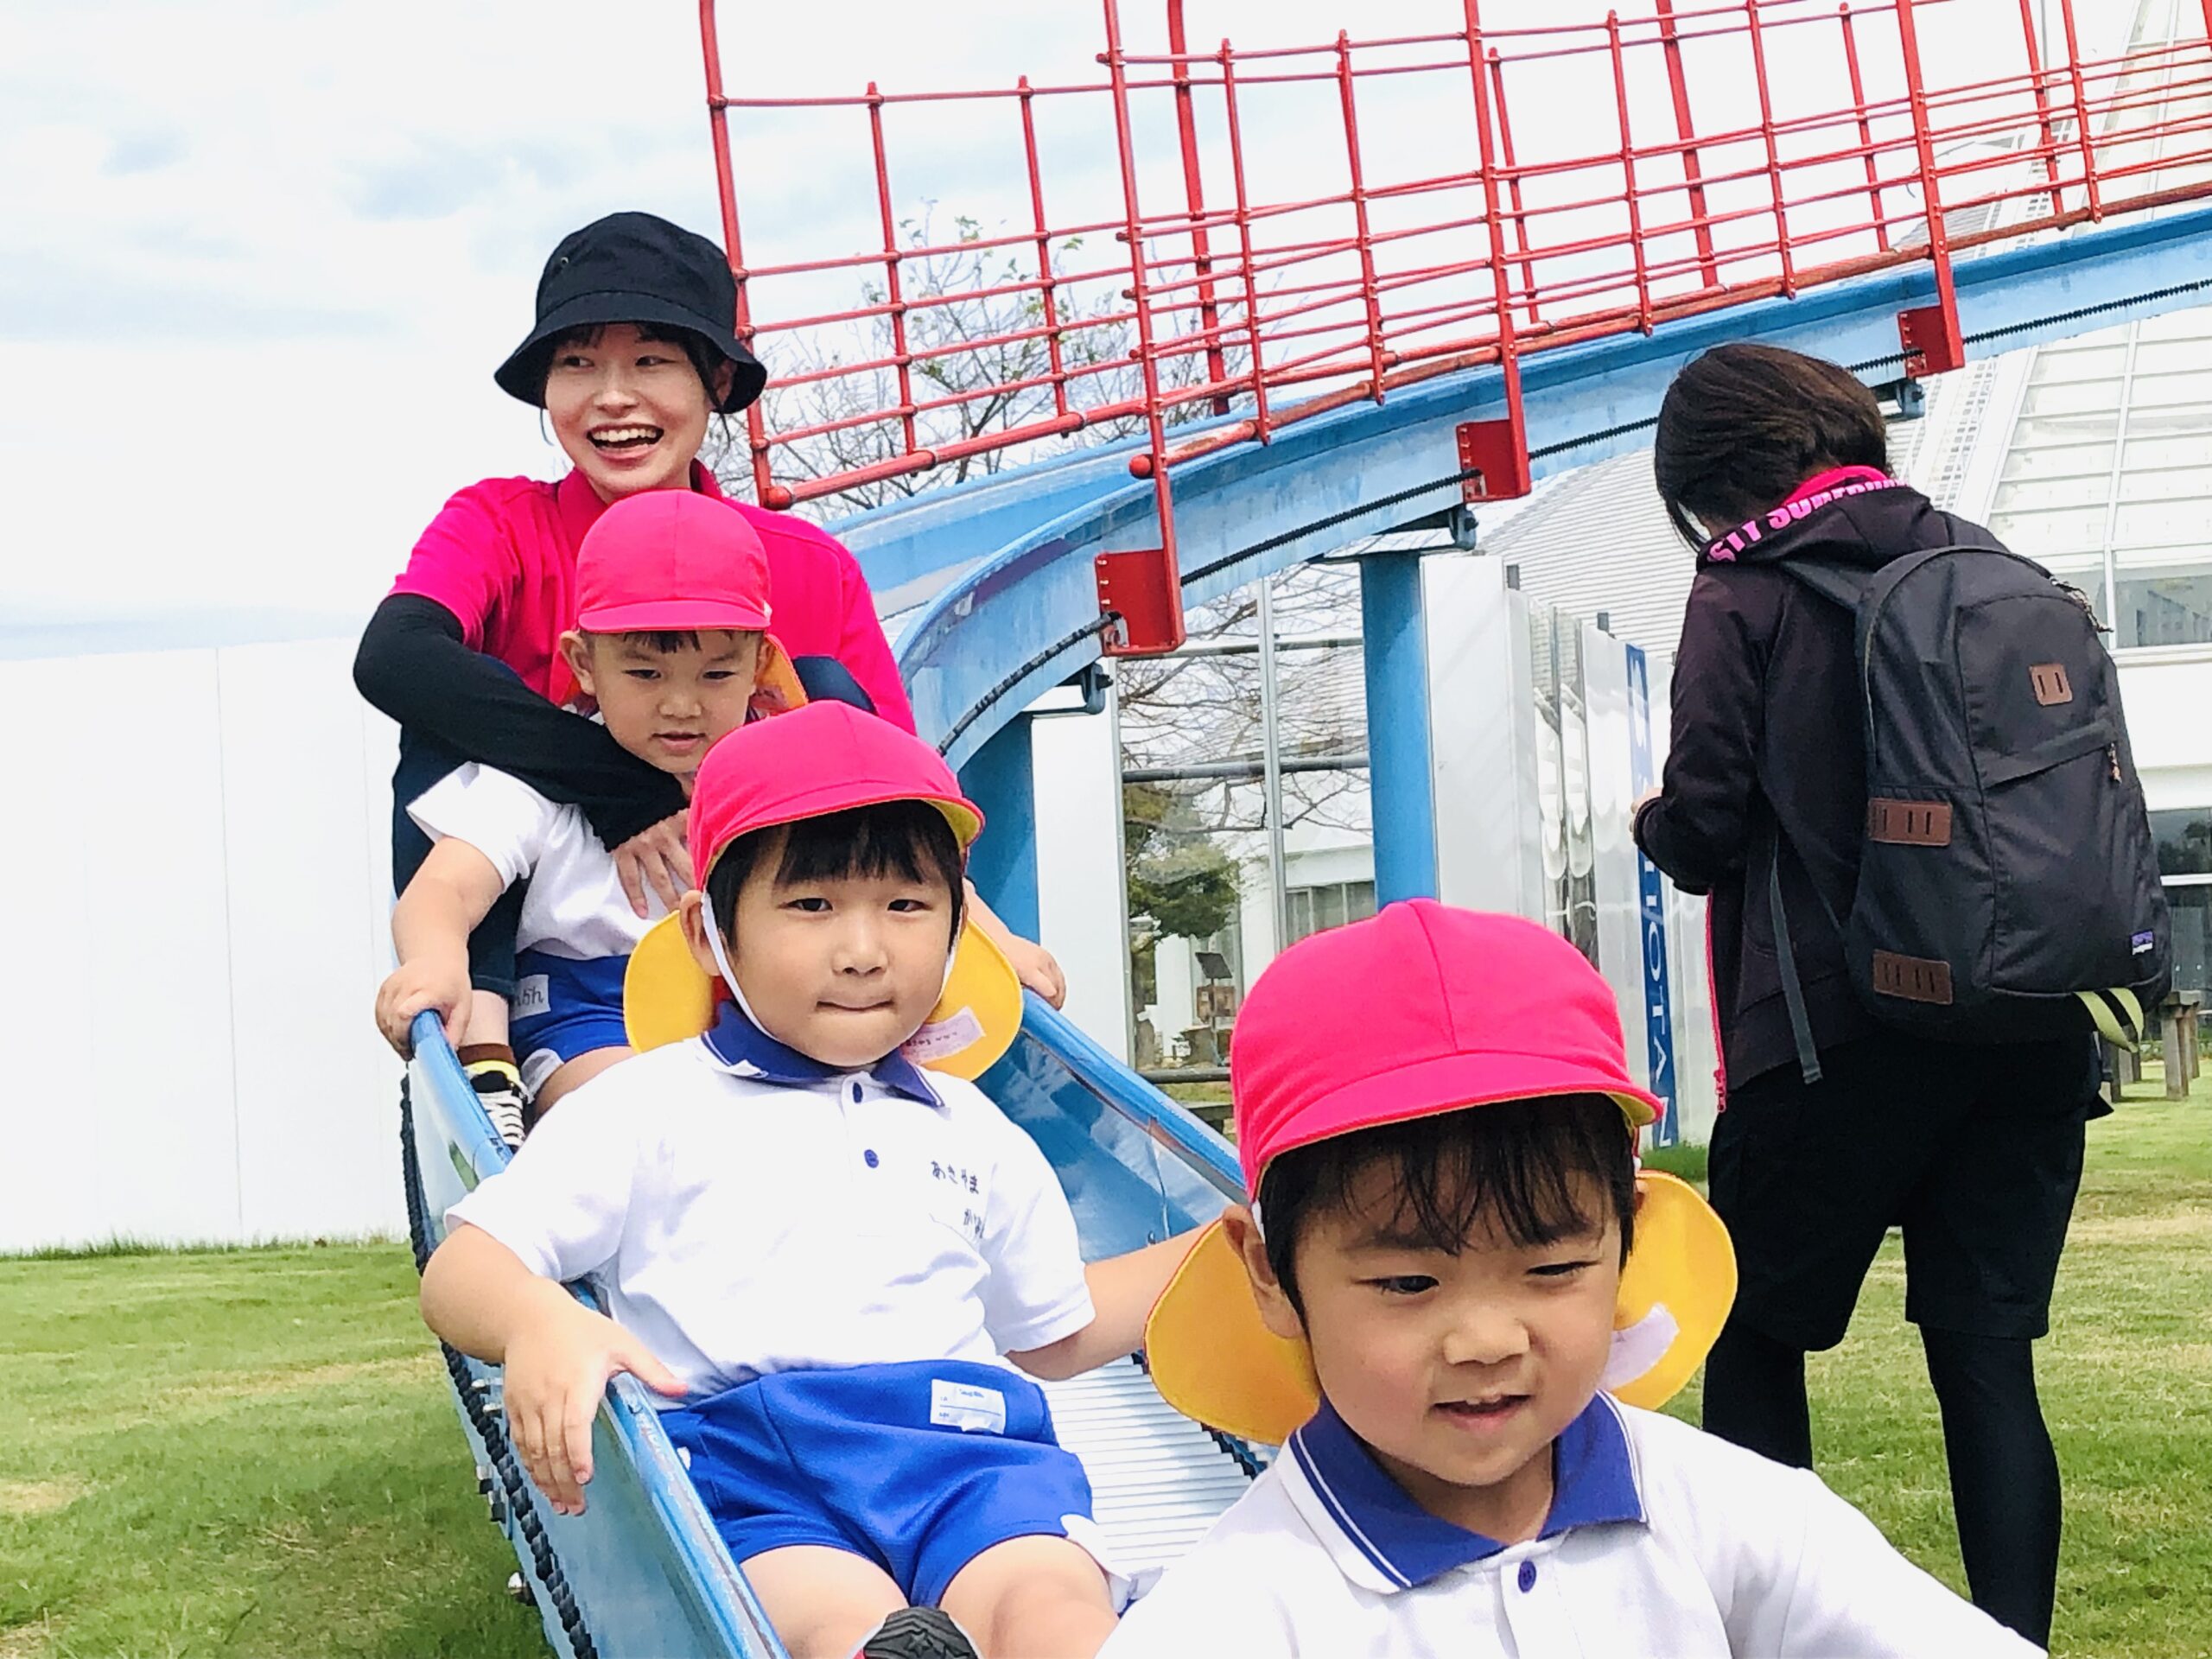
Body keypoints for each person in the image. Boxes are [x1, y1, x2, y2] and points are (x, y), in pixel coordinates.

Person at [418, 701, 1198, 1659]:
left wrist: (1223, 1246)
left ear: (958, 931)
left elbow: (1056, 1330)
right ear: (708, 934)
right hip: (762, 1470)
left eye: (906, 907)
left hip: (972, 1455)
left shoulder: (972, 1128)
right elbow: (465, 1268)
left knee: (1051, 1605)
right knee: (831, 1623)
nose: (864, 952)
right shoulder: (645, 1108)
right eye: (812, 906)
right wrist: (540, 1320)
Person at [1105, 901, 2040, 1657]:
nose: (1488, 1341)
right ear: (1271, 1273)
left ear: (1625, 1237)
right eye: (1408, 1284)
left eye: (1550, 1268)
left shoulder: (1729, 1516)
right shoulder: (1236, 1613)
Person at [353, 210, 1062, 1135]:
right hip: (562, 949)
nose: (612, 398)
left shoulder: (801, 566)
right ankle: (482, 1040)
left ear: (715, 381)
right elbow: (394, 656)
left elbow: (895, 799)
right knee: (441, 719)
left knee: (830, 703)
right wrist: (621, 786)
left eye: (651, 362)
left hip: (752, 951)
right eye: (578, 364)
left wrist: (989, 936)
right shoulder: (504, 525)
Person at [1631, 341, 2101, 1647]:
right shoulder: (1986, 561)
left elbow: (1706, 827)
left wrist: (1651, 823)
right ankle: (2014, 1643)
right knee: (1987, 1365)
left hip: (1835, 1035)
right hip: (2026, 1026)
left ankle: (1773, 1641)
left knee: (1755, 1338)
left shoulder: (1746, 589)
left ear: (1711, 479)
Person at [373, 489, 799, 1132]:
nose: (681, 705)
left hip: (749, 1006)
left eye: (715, 675)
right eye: (646, 675)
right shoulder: (539, 781)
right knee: (636, 1117)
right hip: (589, 1011)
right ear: (584, 664)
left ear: (759, 663)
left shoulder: (781, 771)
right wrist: (437, 960)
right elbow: (442, 889)